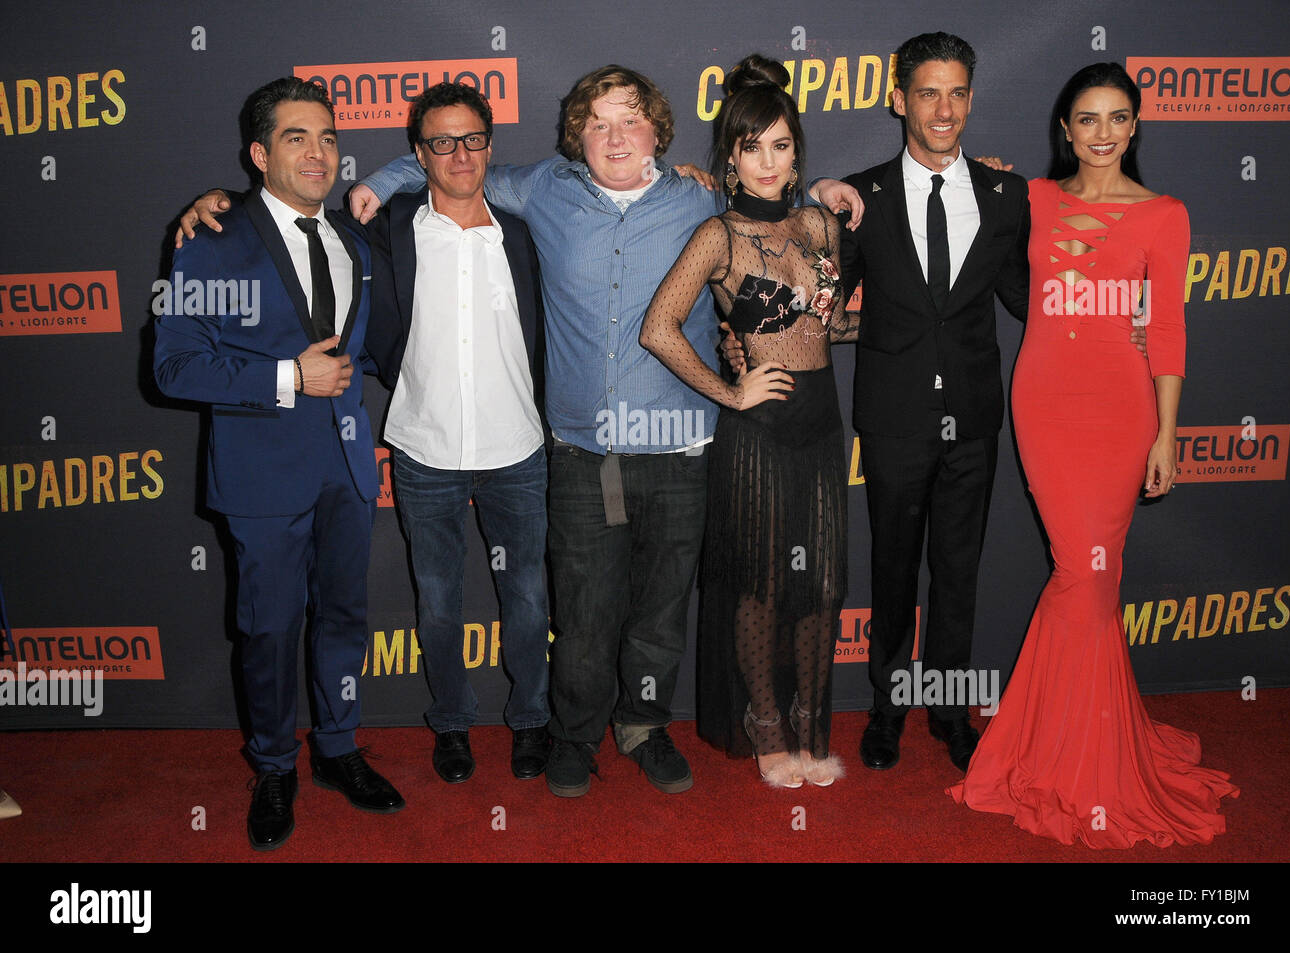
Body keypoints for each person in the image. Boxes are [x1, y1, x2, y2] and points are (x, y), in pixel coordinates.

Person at [179, 66, 861, 799]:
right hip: (571, 448)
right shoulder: (538, 189)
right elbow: (443, 159)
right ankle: (569, 735)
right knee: (578, 613)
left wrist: (826, 188)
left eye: (629, 119)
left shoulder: (697, 197)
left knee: (659, 614)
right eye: (597, 123)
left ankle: (643, 723)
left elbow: (767, 181)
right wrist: (278, 194)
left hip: (674, 443)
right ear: (577, 137)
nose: (614, 136)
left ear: (658, 129)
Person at [948, 63, 1238, 847]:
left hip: (1121, 415)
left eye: (1117, 118)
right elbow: (939, 182)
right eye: (1087, 119)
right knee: (1084, 574)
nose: (1102, 133)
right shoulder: (1032, 201)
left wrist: (1166, 432)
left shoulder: (1165, 214)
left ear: (1135, 126)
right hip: (1044, 404)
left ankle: (1059, 751)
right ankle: (1072, 745)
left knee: (1087, 576)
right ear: (1065, 130)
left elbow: (1168, 328)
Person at [154, 77, 404, 851]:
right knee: (267, 630)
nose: (318, 152)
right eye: (296, 137)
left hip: (347, 467)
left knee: (343, 619)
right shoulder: (210, 239)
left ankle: (336, 746)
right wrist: (289, 377)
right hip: (262, 474)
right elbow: (172, 368)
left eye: (328, 137)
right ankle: (272, 765)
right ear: (259, 154)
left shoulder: (356, 242)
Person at [641, 56, 856, 788]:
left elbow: (834, 328)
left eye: (782, 145)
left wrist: (842, 314)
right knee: (761, 587)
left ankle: (808, 724)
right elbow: (659, 327)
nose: (768, 161)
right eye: (752, 147)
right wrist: (728, 392)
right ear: (731, 159)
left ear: (797, 152)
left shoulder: (821, 226)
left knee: (821, 588)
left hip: (825, 428)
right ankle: (766, 727)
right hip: (757, 433)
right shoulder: (719, 237)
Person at [837, 33, 1031, 773]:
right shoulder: (862, 196)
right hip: (894, 420)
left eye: (956, 92)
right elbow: (821, 297)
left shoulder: (1008, 195)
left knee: (958, 570)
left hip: (975, 420)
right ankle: (885, 711)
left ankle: (950, 710)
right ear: (899, 101)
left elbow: (1028, 298)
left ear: (971, 99)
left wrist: (1117, 319)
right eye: (927, 92)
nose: (943, 108)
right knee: (892, 569)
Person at [362, 83, 551, 785]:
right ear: (419, 154)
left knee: (528, 599)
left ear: (490, 146)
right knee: (438, 602)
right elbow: (298, 218)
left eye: (471, 138)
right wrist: (219, 205)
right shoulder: (390, 226)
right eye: (441, 142)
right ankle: (451, 722)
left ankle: (532, 718)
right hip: (424, 447)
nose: (459, 153)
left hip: (517, 448)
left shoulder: (524, 232)